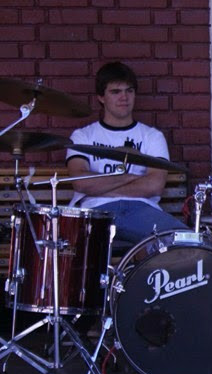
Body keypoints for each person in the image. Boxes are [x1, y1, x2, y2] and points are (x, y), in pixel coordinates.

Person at [66, 61, 187, 246]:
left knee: (187, 244)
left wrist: (100, 185)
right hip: (97, 212)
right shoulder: (83, 136)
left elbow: (154, 185)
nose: (124, 97)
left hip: (142, 211)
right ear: (101, 97)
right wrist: (131, 178)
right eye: (115, 92)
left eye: (129, 91)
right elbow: (81, 183)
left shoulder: (152, 136)